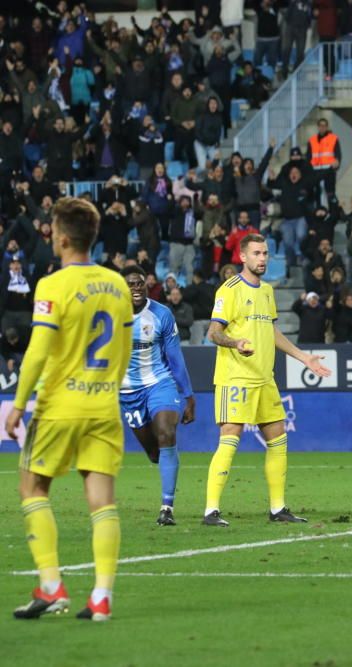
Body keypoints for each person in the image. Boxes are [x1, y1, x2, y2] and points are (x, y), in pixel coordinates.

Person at [6, 198, 133, 622]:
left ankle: (51, 586)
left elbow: (38, 351)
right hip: (103, 407)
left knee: (32, 489)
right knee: (102, 502)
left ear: (60, 237)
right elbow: (124, 348)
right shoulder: (117, 284)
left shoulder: (53, 285)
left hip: (59, 406)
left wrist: (18, 405)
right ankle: (101, 597)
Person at [204, 234, 332, 526]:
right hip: (236, 377)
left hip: (265, 378)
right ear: (243, 256)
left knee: (278, 438)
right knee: (230, 437)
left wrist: (303, 357)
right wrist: (235, 343)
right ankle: (211, 510)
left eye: (266, 254)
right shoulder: (230, 289)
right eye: (257, 253)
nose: (263, 259)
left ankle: (278, 509)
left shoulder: (266, 291)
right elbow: (213, 332)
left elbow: (272, 333)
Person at [119, 266, 196, 526]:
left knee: (166, 433)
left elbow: (175, 357)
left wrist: (188, 395)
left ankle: (167, 507)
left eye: (140, 283)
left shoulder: (162, 314)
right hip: (128, 392)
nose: (136, 288)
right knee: (155, 453)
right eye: (130, 284)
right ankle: (164, 462)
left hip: (159, 383)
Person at [307, 118, 340, 206]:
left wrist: (337, 161)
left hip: (328, 169)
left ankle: (333, 213)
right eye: (321, 126)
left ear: (327, 127)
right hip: (316, 170)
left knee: (330, 193)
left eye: (324, 126)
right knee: (317, 192)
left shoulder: (333, 138)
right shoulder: (312, 140)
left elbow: (338, 153)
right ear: (318, 127)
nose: (322, 128)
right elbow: (308, 156)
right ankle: (319, 212)